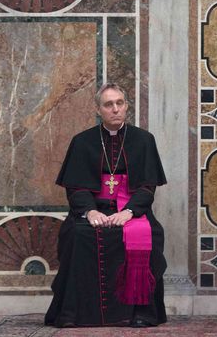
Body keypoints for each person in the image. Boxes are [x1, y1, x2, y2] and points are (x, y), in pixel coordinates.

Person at [45, 83, 168, 328]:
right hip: (93, 208)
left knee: (148, 233)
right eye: (108, 104)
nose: (115, 109)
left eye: (119, 103)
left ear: (126, 106)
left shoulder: (144, 140)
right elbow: (76, 188)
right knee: (78, 234)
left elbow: (147, 187)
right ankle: (74, 314)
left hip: (130, 209)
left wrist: (129, 212)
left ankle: (140, 312)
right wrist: (89, 211)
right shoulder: (82, 141)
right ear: (98, 109)